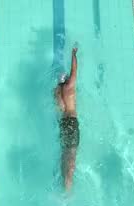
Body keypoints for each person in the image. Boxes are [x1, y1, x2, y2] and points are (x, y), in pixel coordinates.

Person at [55, 46, 79, 192]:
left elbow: (57, 109)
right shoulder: (69, 87)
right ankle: (68, 192)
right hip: (71, 122)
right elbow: (74, 70)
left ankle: (63, 185)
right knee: (71, 158)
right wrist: (73, 54)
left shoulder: (56, 93)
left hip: (63, 123)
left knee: (65, 154)